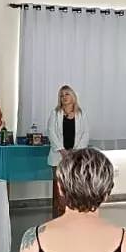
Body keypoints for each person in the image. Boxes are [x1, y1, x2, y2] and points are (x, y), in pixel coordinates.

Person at [45, 85, 90, 218]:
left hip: (76, 155)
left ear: (73, 97)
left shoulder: (81, 114)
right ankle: (61, 213)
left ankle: (73, 213)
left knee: (74, 185)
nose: (64, 97)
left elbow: (86, 133)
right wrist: (62, 151)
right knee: (60, 187)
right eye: (61, 95)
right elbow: (51, 132)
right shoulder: (55, 113)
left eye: (67, 94)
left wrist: (76, 151)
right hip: (58, 156)